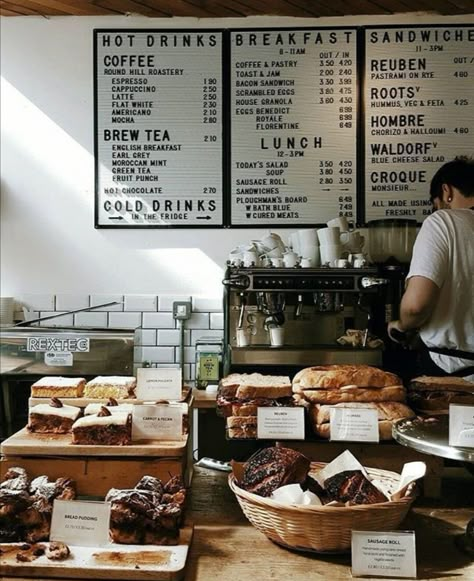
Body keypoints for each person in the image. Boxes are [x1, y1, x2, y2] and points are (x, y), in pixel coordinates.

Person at [388, 156, 474, 381]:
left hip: (453, 375)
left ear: (447, 191)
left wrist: (402, 324)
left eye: (434, 203)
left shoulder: (442, 221)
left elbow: (416, 306)